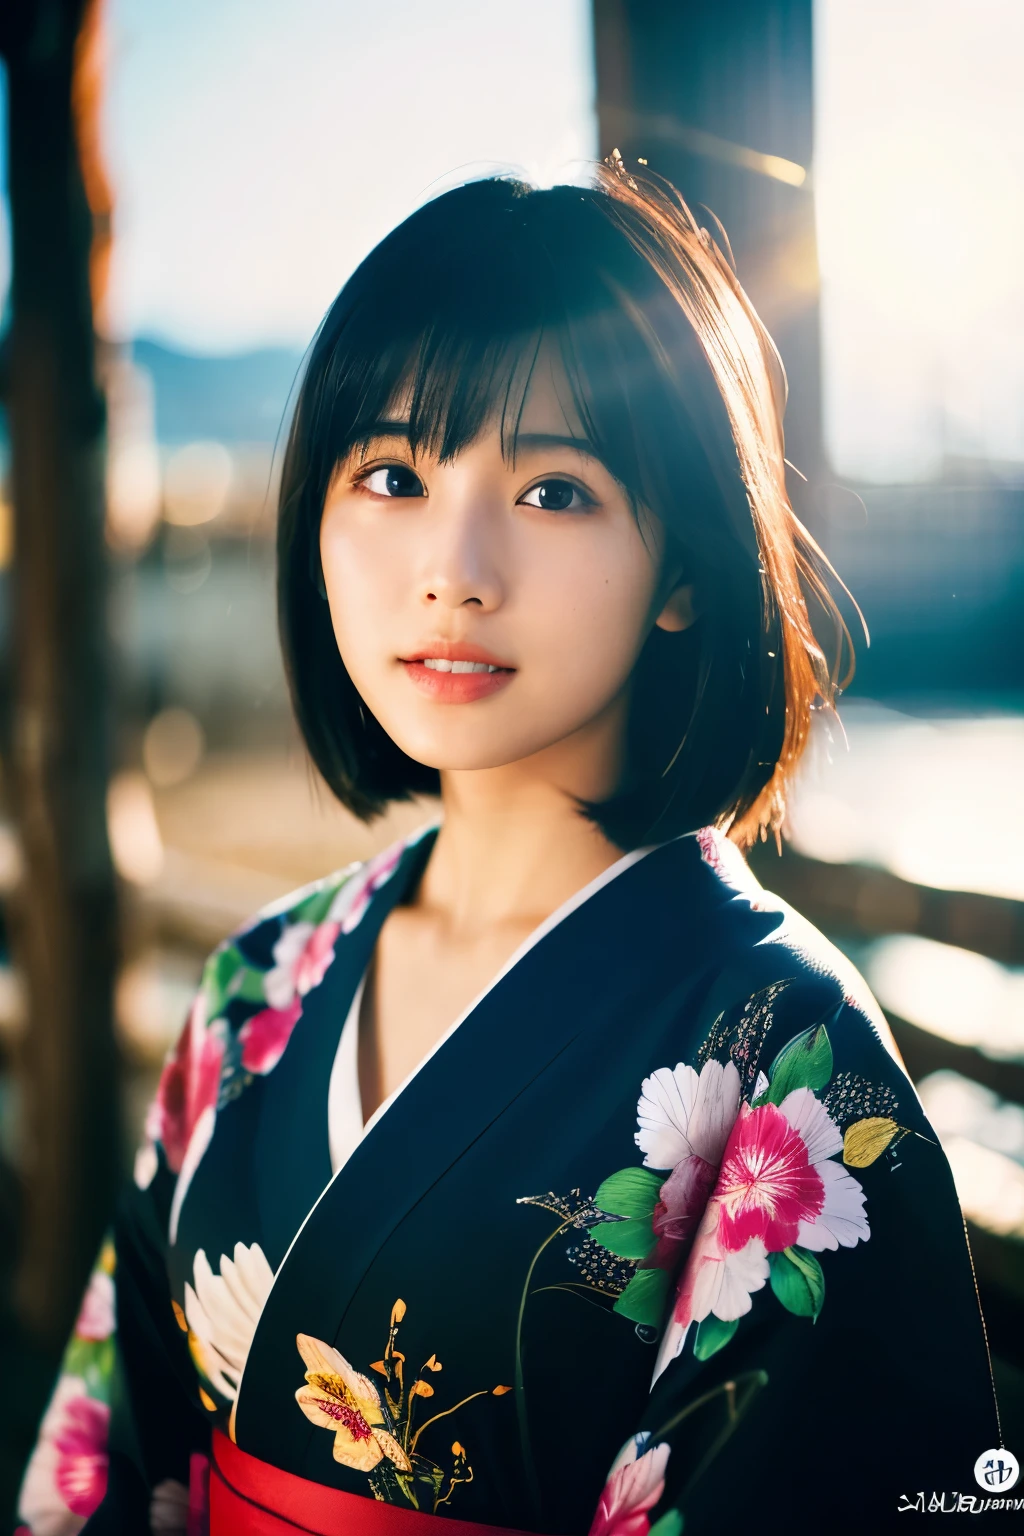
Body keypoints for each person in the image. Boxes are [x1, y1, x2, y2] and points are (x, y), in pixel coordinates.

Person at [18, 159, 1001, 1536]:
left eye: (553, 491)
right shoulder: (258, 987)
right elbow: (105, 1466)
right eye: (394, 474)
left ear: (684, 570)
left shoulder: (794, 1064)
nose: (455, 569)